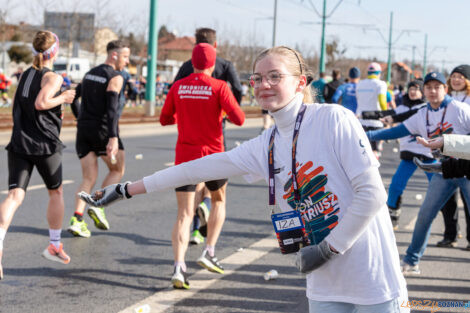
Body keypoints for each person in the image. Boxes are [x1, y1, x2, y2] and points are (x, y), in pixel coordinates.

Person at [79, 46, 408, 312]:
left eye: (275, 76)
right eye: (257, 78)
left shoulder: (334, 120)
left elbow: (372, 195)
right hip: (323, 283)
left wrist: (328, 250)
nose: (264, 85)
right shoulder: (266, 143)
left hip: (372, 278)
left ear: (301, 82)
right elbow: (196, 168)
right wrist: (126, 189)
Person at [366, 72, 470, 275]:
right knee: (424, 216)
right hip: (444, 171)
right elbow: (397, 131)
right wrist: (367, 134)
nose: (432, 91)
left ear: (445, 89)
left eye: (437, 87)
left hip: (467, 172)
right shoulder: (424, 114)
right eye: (428, 87)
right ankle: (412, 261)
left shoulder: (460, 109)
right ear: (424, 91)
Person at [159, 43, 245, 289]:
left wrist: (184, 115)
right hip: (214, 157)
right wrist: (219, 113)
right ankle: (209, 251)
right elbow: (239, 118)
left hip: (185, 156)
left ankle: (178, 267)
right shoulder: (220, 87)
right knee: (218, 200)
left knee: (184, 215)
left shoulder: (177, 86)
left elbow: (165, 118)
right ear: (212, 64)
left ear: (192, 62)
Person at [0, 31, 76, 280]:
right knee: (56, 192)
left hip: (20, 142)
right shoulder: (52, 77)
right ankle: (54, 244)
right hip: (45, 146)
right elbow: (41, 103)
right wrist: (64, 97)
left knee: (14, 195)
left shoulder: (26, 74)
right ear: (53, 51)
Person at [173, 27, 244, 244]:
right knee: (211, 176)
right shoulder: (225, 66)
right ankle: (202, 213)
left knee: (191, 179)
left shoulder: (187, 66)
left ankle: (194, 228)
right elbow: (239, 89)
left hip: (189, 130)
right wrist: (229, 112)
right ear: (215, 45)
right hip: (215, 126)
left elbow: (174, 88)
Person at [67, 40, 130, 238]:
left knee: (88, 178)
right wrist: (113, 137)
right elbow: (112, 109)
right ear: (114, 55)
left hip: (84, 130)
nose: (127, 62)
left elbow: (73, 98)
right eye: (125, 57)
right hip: (103, 130)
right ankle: (98, 206)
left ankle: (77, 220)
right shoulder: (115, 77)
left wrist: (80, 119)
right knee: (118, 169)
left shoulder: (89, 73)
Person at [379, 80, 434, 229]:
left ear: (422, 91)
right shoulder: (401, 107)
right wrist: (363, 115)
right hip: (409, 154)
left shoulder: (426, 108)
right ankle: (393, 216)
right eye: (411, 88)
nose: (413, 91)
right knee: (396, 186)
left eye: (416, 89)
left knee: (439, 188)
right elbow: (387, 114)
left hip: (428, 154)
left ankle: (451, 229)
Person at [434, 64, 470, 248]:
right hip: (447, 153)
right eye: (454, 76)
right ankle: (450, 235)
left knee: (467, 198)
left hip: (466, 155)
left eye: (461, 77)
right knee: (448, 200)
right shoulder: (444, 99)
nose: (456, 79)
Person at [355, 62, 388, 158]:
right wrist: (386, 115)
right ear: (379, 73)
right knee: (374, 152)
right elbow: (382, 102)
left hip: (361, 121)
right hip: (376, 122)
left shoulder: (360, 84)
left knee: (362, 151)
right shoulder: (381, 84)